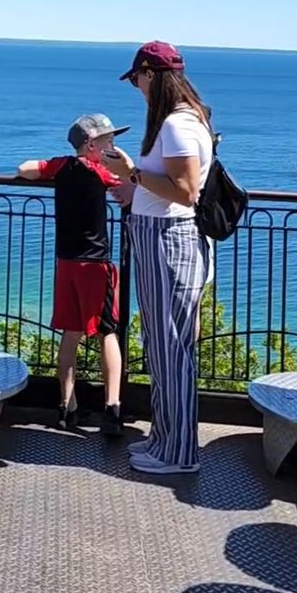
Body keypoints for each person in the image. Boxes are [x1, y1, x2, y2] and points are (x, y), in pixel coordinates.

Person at [104, 41, 213, 477]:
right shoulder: (186, 119)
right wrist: (136, 187)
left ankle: (179, 453)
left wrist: (131, 172)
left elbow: (186, 192)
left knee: (170, 348)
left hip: (168, 240)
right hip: (162, 236)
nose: (137, 87)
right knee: (164, 345)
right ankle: (165, 439)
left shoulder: (176, 125)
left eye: (137, 79)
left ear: (151, 74)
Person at [18, 114, 127, 435]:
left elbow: (25, 168)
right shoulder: (100, 172)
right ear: (91, 144)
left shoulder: (61, 166)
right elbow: (129, 186)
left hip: (66, 262)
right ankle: (112, 408)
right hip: (95, 264)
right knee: (107, 332)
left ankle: (67, 406)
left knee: (71, 332)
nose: (112, 144)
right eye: (107, 140)